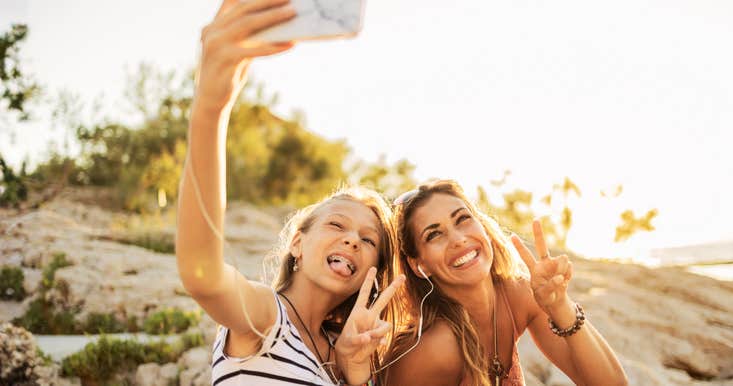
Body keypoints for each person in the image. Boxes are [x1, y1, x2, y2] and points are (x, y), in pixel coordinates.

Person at [175, 0, 404, 384]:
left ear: (373, 272)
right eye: (337, 225)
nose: (352, 241)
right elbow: (204, 277)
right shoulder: (267, 317)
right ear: (297, 243)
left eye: (369, 241)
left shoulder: (346, 348)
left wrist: (357, 373)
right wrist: (211, 109)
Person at [382, 180, 628, 386]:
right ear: (419, 265)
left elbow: (612, 383)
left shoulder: (515, 294)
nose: (458, 239)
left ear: (483, 227)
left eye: (462, 219)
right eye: (434, 234)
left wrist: (560, 305)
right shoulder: (434, 348)